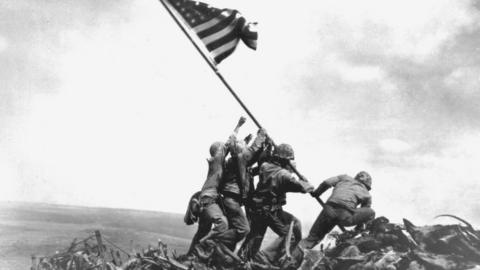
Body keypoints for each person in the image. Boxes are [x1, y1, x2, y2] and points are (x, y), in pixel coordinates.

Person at [239, 143, 314, 261]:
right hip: (269, 211)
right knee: (290, 235)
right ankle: (264, 259)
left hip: (259, 208)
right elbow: (304, 188)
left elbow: (262, 166)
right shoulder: (284, 175)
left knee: (255, 237)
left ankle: (242, 259)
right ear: (284, 160)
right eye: (289, 160)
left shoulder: (265, 166)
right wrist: (305, 182)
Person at [299, 171, 376, 250]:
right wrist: (357, 230)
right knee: (371, 212)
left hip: (328, 210)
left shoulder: (344, 177)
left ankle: (293, 251)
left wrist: (317, 193)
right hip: (345, 216)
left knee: (312, 239)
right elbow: (364, 213)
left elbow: (327, 183)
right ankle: (359, 233)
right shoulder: (367, 194)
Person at [219, 127, 268, 250]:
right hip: (232, 200)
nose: (246, 148)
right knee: (243, 229)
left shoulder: (235, 163)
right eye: (244, 146)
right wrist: (261, 135)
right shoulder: (239, 160)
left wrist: (266, 150)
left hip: (231, 200)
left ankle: (222, 255)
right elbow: (251, 152)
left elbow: (252, 168)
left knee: (234, 228)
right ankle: (215, 242)